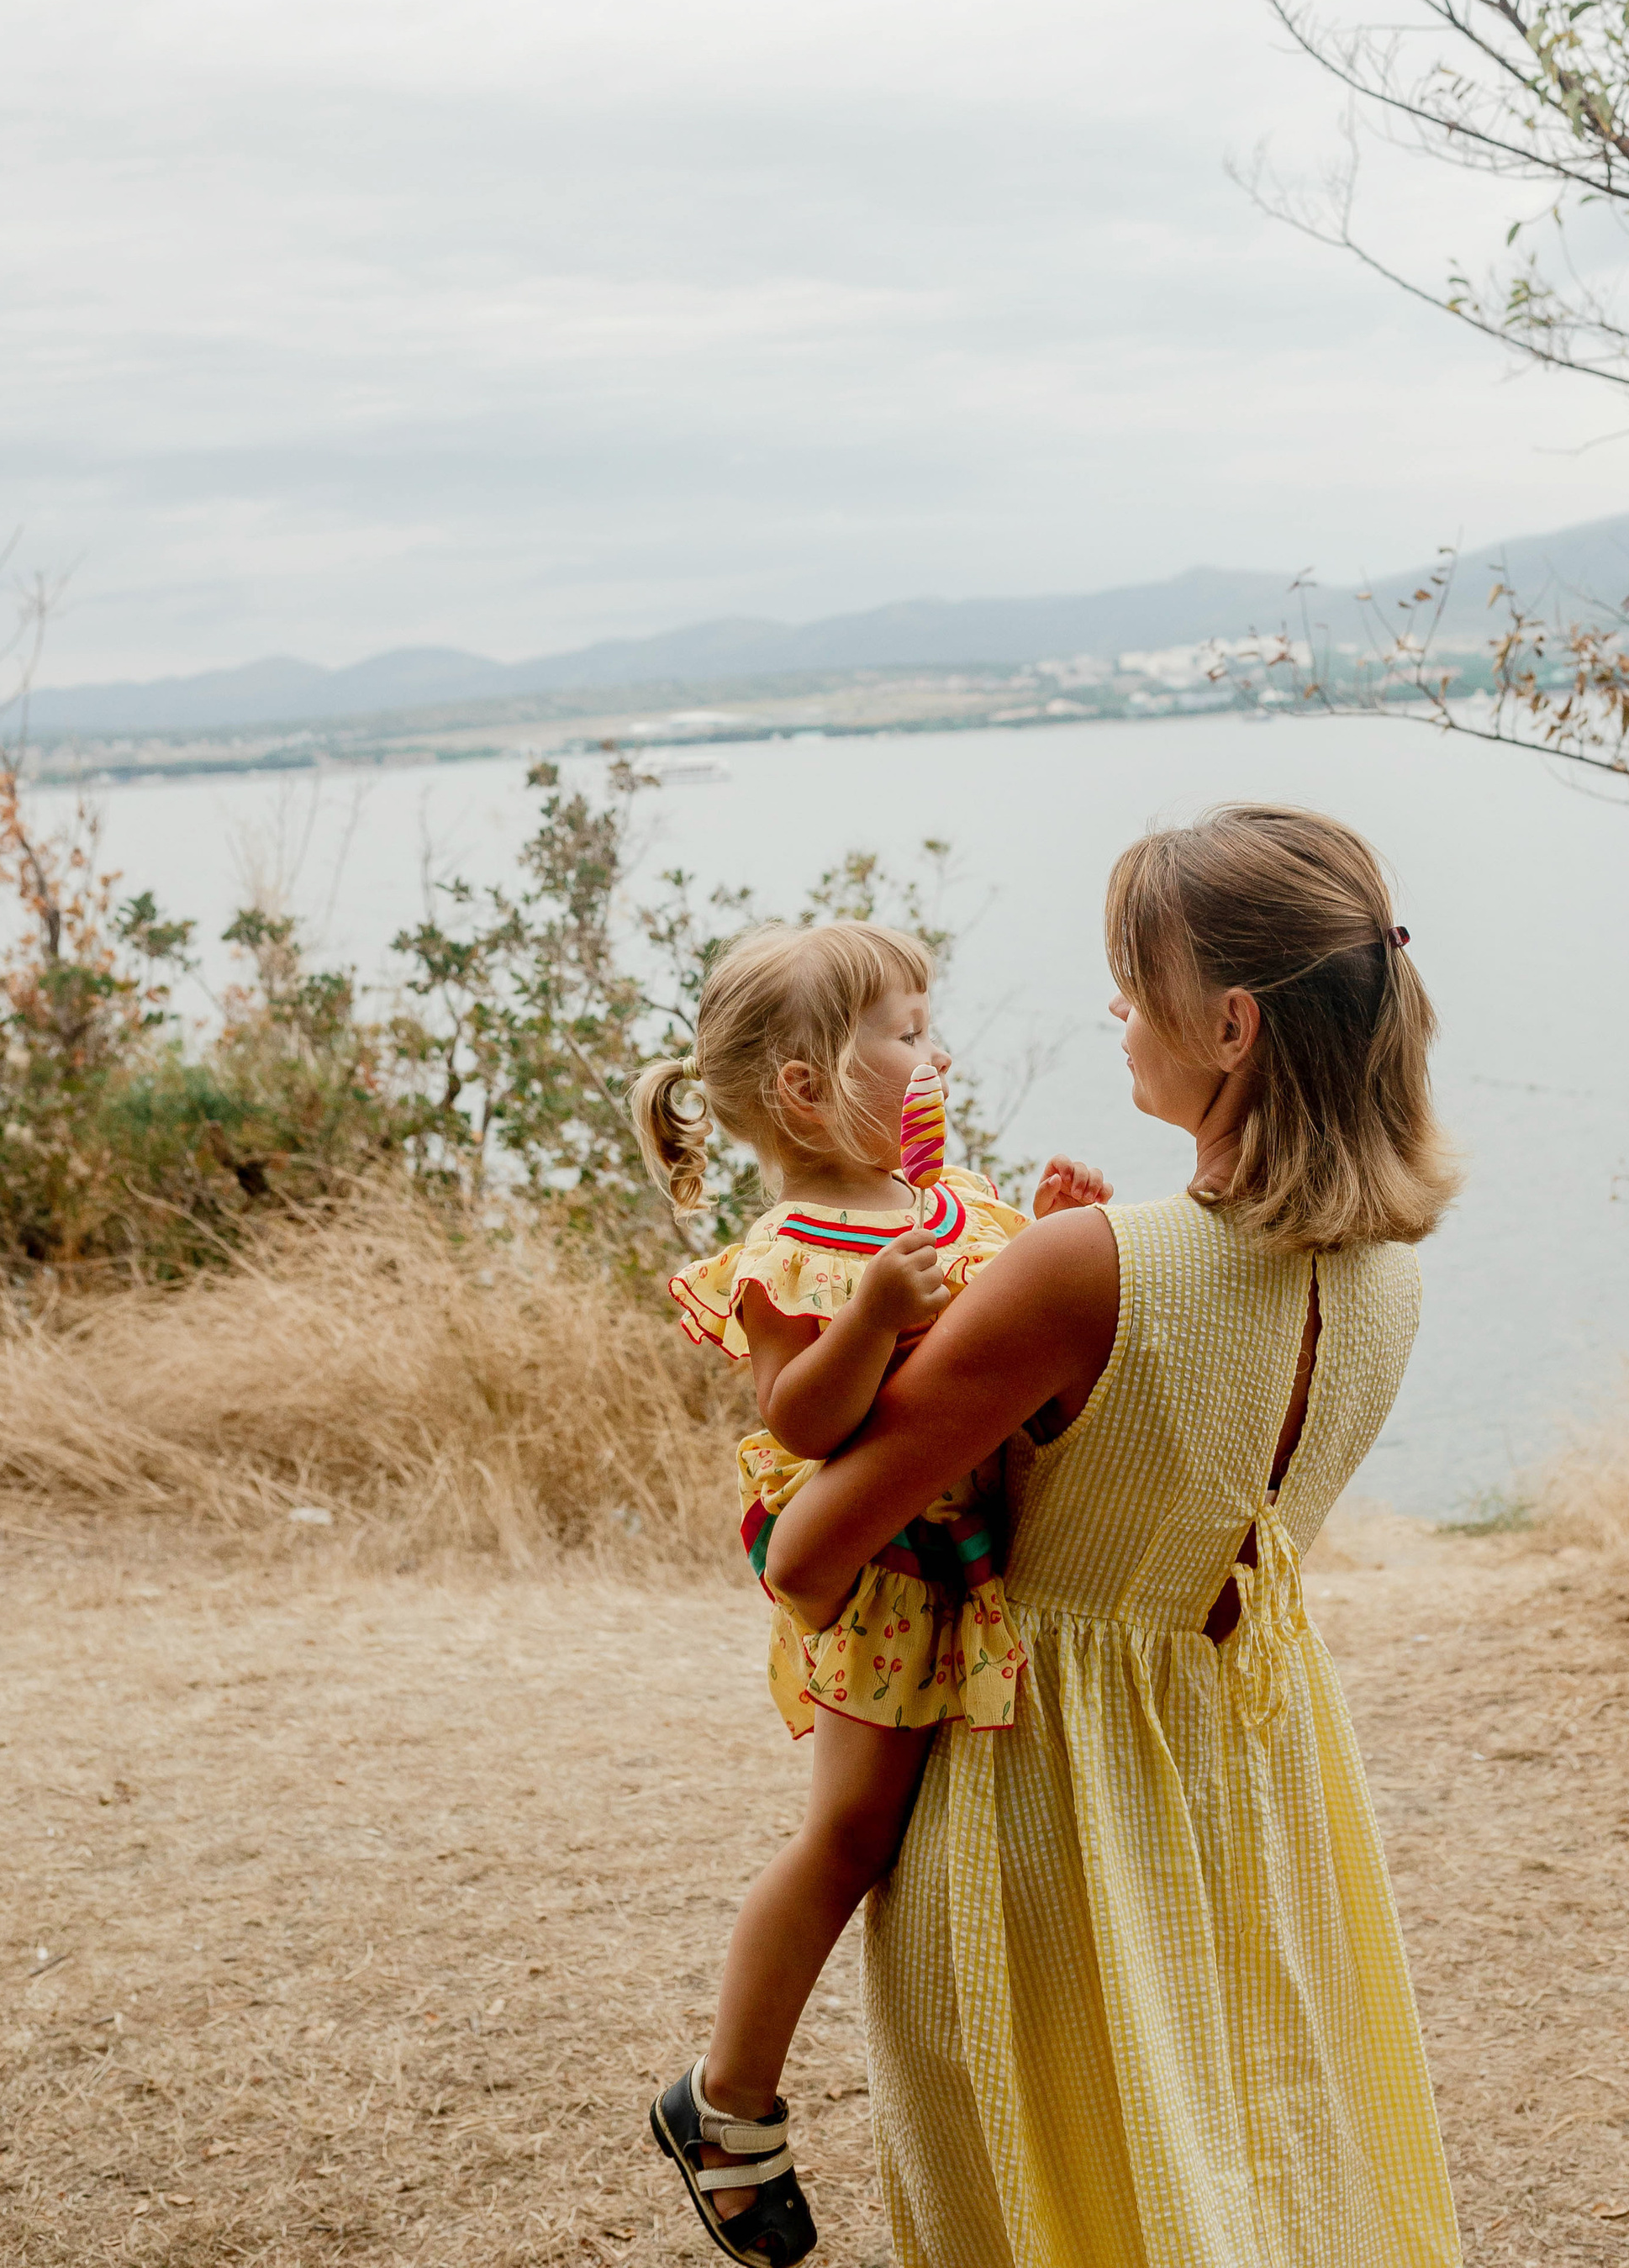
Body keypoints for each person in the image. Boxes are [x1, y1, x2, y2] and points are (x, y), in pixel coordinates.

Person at [769, 803, 1468, 2268]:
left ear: (1227, 1024)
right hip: (1250, 1784)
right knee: (1243, 2190)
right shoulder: (1391, 1273)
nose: (1113, 1006)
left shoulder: (1090, 1268)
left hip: (1043, 1794)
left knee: (1043, 2213)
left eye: (1130, 972)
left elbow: (810, 1559)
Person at [631, 920, 1111, 2263]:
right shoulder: (791, 1247)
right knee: (848, 1841)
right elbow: (800, 1424)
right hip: (890, 1581)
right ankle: (726, 2101)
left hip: (975, 1553)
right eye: (903, 1034)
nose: (932, 1054)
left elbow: (1015, 1350)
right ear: (803, 1086)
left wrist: (1061, 1241)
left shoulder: (955, 1207)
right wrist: (870, 1319)